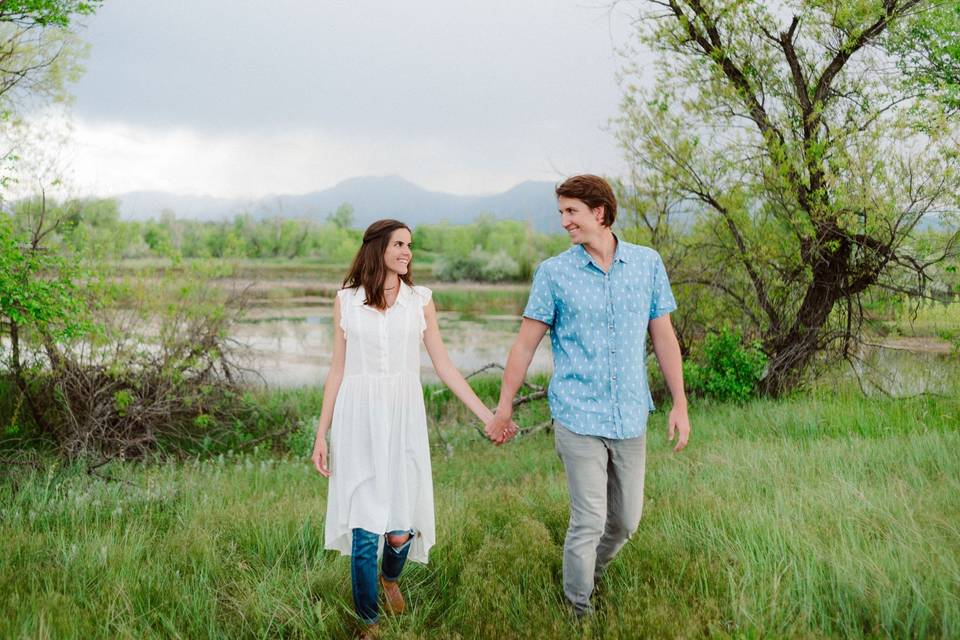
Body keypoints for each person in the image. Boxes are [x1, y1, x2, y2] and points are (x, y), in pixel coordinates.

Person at [485, 175, 691, 617]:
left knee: (625, 522)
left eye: (571, 212)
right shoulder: (554, 273)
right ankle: (577, 608)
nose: (564, 222)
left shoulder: (647, 264)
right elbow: (524, 345)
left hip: (631, 415)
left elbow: (665, 338)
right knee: (589, 519)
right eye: (561, 212)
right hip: (577, 415)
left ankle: (586, 578)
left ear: (599, 212)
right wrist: (504, 406)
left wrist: (680, 402)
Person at [311, 219, 514, 639]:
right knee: (365, 527)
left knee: (400, 529)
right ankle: (369, 622)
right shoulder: (346, 301)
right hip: (357, 419)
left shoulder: (419, 301)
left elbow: (444, 367)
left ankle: (390, 578)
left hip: (403, 418)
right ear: (378, 248)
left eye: (410, 245)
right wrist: (321, 433)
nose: (408, 252)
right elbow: (336, 369)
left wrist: (488, 415)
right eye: (400, 244)